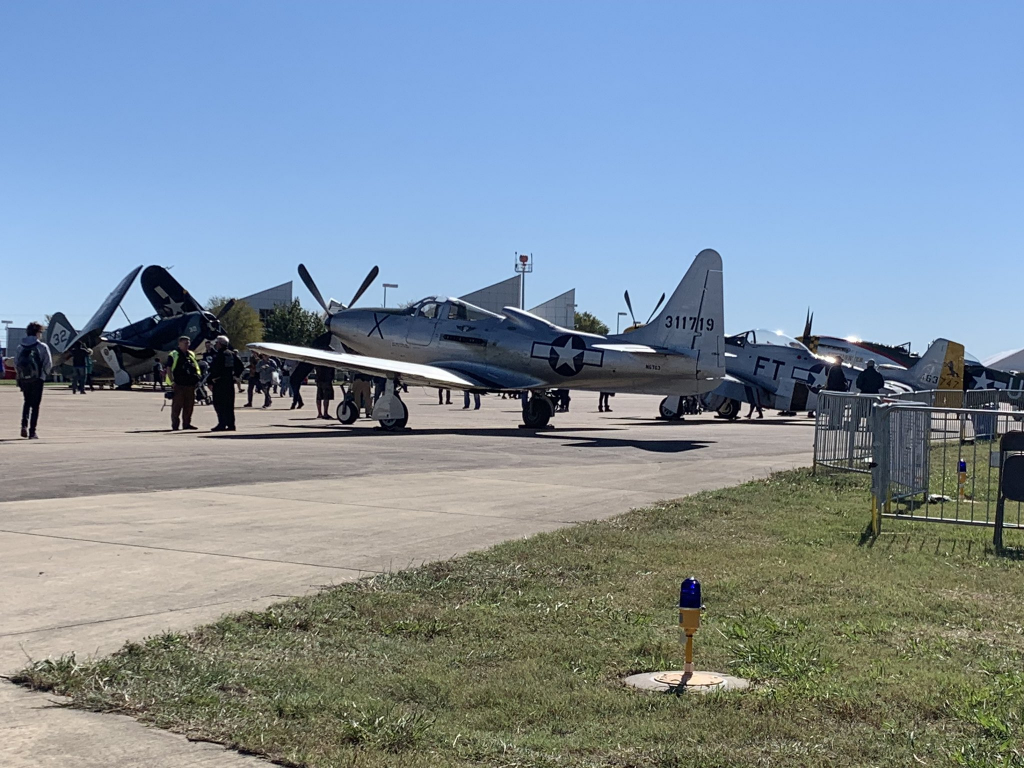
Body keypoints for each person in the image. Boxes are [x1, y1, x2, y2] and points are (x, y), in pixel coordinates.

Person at [15, 322, 52, 439]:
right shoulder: (42, 347)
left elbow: (16, 363)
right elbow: (48, 363)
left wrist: (21, 376)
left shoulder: (20, 347)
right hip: (37, 379)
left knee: (27, 402)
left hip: (24, 379)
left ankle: (23, 426)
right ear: (37, 333)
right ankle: (32, 432)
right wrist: (43, 376)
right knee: (35, 406)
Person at [166, 335, 202, 431]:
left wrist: (197, 379)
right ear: (180, 343)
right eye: (185, 343)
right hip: (179, 384)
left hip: (190, 385)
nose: (187, 345)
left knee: (189, 406)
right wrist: (172, 382)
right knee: (177, 406)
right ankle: (175, 425)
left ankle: (187, 424)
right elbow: (168, 368)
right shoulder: (174, 354)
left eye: (188, 343)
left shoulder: (191, 354)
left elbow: (195, 367)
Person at [209, 336, 242, 431]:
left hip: (219, 383)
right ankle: (231, 424)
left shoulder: (219, 355)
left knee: (219, 404)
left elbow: (214, 370)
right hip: (229, 383)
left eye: (216, 343)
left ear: (219, 344)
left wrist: (211, 380)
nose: (215, 345)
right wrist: (235, 376)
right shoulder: (231, 354)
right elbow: (240, 367)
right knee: (229, 404)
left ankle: (222, 424)